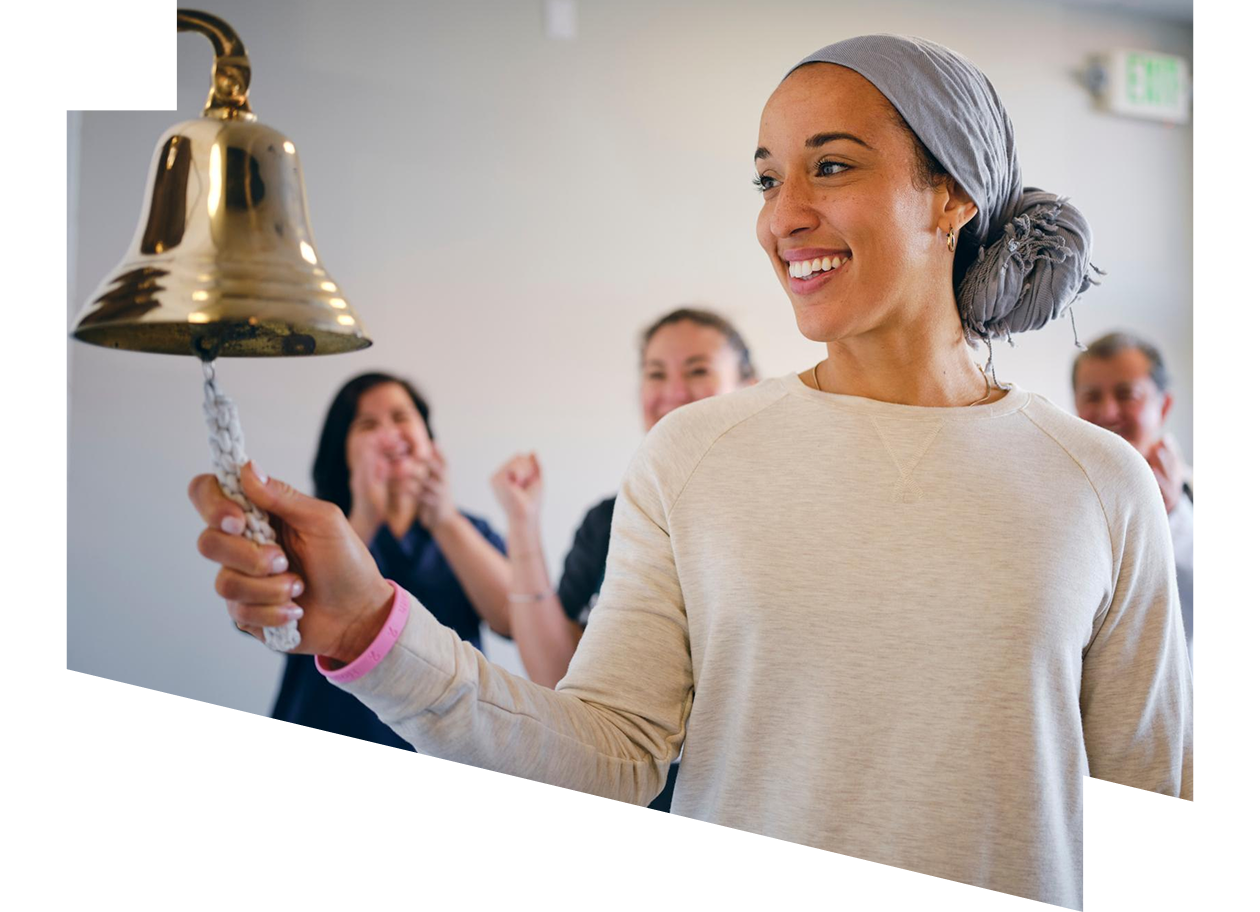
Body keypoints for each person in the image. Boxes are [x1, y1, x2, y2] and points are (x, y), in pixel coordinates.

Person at [188, 35, 1191, 907]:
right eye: (767, 179)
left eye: (830, 167)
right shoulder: (696, 456)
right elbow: (610, 759)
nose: (781, 216)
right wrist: (371, 630)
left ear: (951, 195)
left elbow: (1145, 814)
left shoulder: (1098, 484)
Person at [488, 307, 759, 830]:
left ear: (750, 386)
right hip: (628, 800)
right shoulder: (608, 521)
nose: (673, 391)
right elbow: (556, 676)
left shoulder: (784, 511)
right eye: (656, 373)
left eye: (698, 370)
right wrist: (522, 527)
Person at [266, 372, 513, 767]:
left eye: (401, 417)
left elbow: (512, 619)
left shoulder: (470, 531)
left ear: (429, 439)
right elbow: (277, 620)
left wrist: (444, 519)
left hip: (444, 749)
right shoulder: (309, 533)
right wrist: (363, 515)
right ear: (342, 450)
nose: (388, 434)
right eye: (367, 425)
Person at [1072, 331, 1193, 674]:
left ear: (1164, 406)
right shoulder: (1059, 498)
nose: (1108, 412)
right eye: (1092, 397)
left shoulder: (1202, 497)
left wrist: (1170, 514)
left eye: (1127, 395)